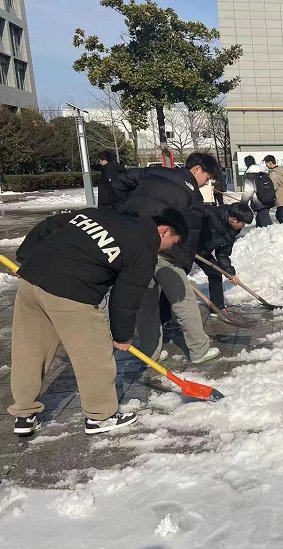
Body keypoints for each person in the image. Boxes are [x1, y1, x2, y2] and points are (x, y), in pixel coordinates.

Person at [8, 206, 187, 437]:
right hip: (72, 292)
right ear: (164, 231)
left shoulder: (102, 215)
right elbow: (126, 296)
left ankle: (24, 414)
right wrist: (122, 336)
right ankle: (101, 416)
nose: (171, 247)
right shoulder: (144, 250)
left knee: (29, 350)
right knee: (94, 355)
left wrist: (26, 258)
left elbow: (50, 225)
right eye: (174, 241)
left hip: (32, 281)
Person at [113, 152, 222, 364]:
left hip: (133, 242)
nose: (205, 183)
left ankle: (150, 353)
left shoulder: (154, 172)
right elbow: (189, 236)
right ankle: (199, 350)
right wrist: (182, 264)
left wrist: (126, 213)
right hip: (164, 252)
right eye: (207, 178)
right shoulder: (193, 197)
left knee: (147, 302)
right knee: (184, 300)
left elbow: (119, 182)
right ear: (197, 169)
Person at [195, 202, 254, 315]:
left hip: (201, 252)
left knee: (215, 273)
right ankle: (165, 314)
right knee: (177, 276)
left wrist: (230, 273)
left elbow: (223, 254)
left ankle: (217, 307)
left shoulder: (232, 231)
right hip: (183, 246)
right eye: (242, 223)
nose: (243, 226)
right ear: (233, 219)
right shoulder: (209, 214)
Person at [240, 155, 274, 226]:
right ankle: (259, 234)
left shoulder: (250, 174)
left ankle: (271, 235)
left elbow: (249, 191)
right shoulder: (263, 171)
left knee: (266, 223)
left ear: (246, 163)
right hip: (267, 198)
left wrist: (243, 202)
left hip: (258, 200)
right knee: (260, 219)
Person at [264, 155, 283, 226]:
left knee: (282, 217)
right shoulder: (281, 170)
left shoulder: (274, 174)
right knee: (281, 216)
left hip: (281, 198)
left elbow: (272, 187)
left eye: (266, 163)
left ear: (270, 163)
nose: (266, 165)